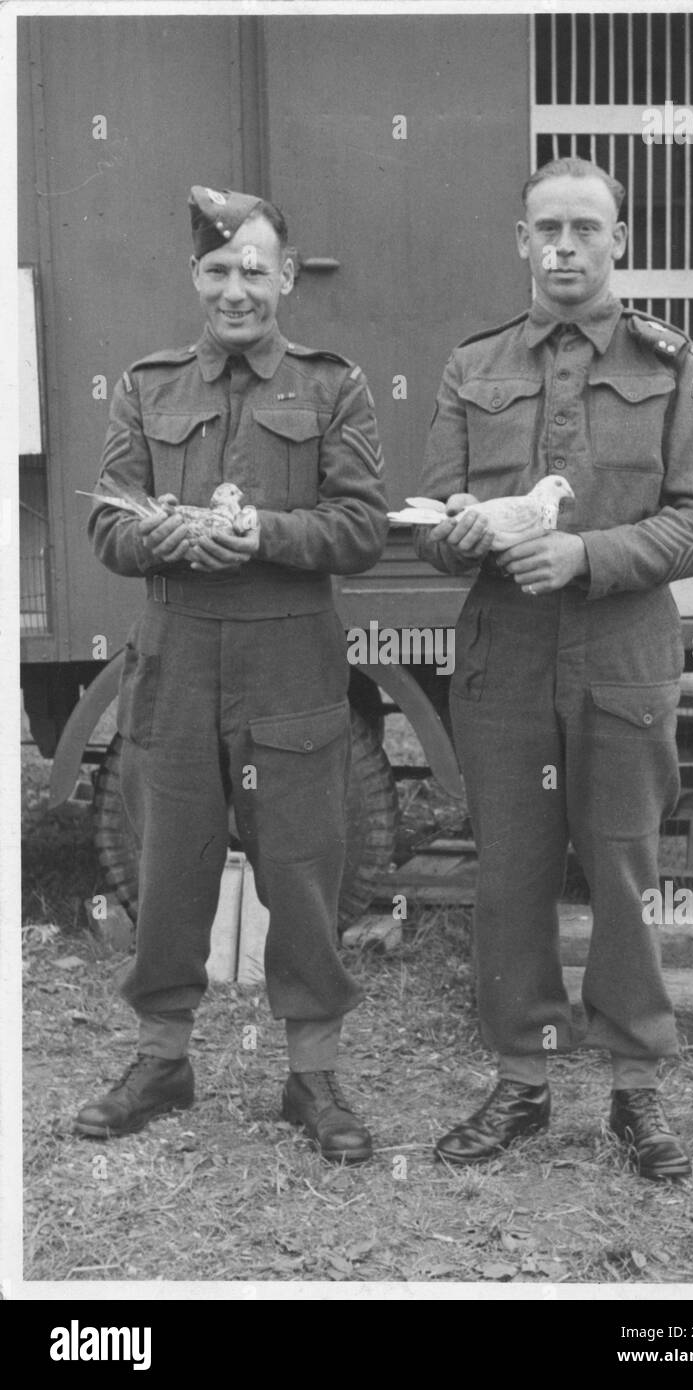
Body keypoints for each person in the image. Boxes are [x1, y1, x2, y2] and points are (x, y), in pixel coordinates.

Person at [414, 158, 693, 1180]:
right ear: (519, 241)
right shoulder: (473, 366)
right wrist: (461, 532)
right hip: (505, 658)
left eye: (585, 229)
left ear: (619, 241)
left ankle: (636, 1091)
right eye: (546, 228)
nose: (563, 247)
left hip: (622, 656)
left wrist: (587, 556)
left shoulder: (670, 363)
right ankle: (523, 1079)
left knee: (625, 873)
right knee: (508, 875)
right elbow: (432, 523)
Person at [74, 186, 388, 1163]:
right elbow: (105, 521)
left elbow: (363, 526)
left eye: (255, 268)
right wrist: (157, 534)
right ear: (195, 279)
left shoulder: (334, 387)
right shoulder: (147, 386)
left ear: (287, 275)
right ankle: (163, 1059)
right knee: (170, 871)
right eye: (218, 270)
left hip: (291, 660)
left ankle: (313, 1077)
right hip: (176, 663)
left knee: (301, 873)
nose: (237, 288)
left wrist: (264, 534)